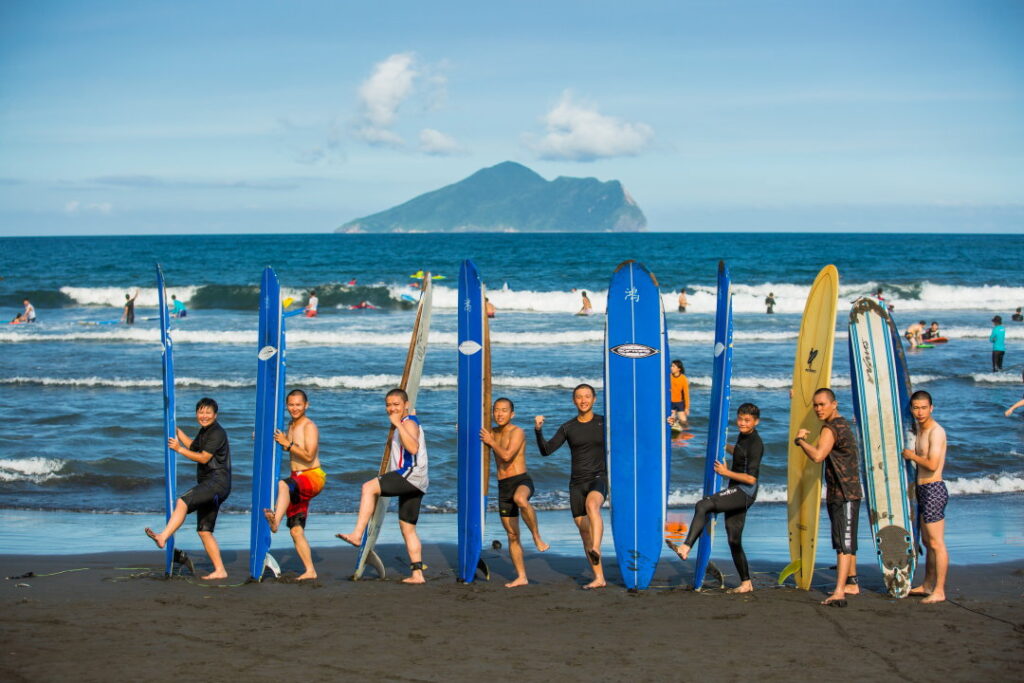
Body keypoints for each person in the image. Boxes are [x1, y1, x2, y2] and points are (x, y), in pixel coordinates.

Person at [667, 403, 764, 593]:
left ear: (756, 422)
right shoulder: (744, 437)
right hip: (737, 490)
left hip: (744, 491)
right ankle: (746, 583)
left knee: (703, 505)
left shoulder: (756, 444)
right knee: (734, 539)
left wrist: (725, 472)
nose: (742, 423)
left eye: (747, 420)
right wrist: (718, 446)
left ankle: (686, 547)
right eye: (740, 419)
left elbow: (751, 479)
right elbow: (739, 452)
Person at [336, 388, 428, 584]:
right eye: (388, 405)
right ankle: (417, 573)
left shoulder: (407, 423)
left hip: (410, 474)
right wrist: (404, 417)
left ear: (405, 405)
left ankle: (357, 534)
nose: (391, 408)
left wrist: (398, 423)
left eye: (396, 405)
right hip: (419, 482)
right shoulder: (410, 418)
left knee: (368, 487)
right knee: (408, 528)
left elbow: (413, 447)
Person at [145, 397, 232, 580]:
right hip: (213, 485)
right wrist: (177, 431)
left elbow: (203, 458)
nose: (204, 415)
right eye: (201, 412)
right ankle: (220, 570)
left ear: (215, 415)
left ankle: (163, 536)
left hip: (217, 482)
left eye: (208, 412)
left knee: (183, 501)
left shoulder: (217, 433)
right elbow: (194, 446)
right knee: (204, 530)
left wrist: (178, 449)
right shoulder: (205, 432)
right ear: (196, 414)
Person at [793, 388, 861, 607]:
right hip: (841, 492)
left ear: (834, 404)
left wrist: (800, 441)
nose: (818, 408)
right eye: (815, 405)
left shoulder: (831, 428)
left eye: (822, 404)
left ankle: (839, 592)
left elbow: (818, 456)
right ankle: (851, 582)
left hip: (845, 493)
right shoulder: (840, 424)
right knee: (845, 539)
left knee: (844, 544)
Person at [535, 384, 607, 589]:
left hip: (599, 477)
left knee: (592, 506)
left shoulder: (604, 422)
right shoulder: (568, 427)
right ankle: (599, 578)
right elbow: (546, 450)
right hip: (576, 483)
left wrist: (664, 423)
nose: (583, 400)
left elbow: (632, 433)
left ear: (594, 399)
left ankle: (597, 547)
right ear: (573, 400)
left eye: (587, 396)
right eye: (579, 397)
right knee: (585, 533)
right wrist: (538, 430)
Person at [480, 397, 549, 588]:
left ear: (512, 414)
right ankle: (521, 577)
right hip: (503, 487)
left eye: (504, 410)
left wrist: (491, 442)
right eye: (496, 410)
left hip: (521, 480)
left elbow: (507, 455)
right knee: (512, 535)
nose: (499, 414)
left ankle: (536, 536)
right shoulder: (491, 432)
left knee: (520, 498)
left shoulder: (517, 432)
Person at [263, 389, 325, 580]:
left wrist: (287, 444)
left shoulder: (309, 426)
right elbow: (284, 444)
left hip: (312, 477)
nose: (294, 408)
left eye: (299, 404)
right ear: (287, 405)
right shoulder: (290, 425)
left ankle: (275, 523)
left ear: (306, 405)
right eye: (291, 404)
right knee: (296, 530)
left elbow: (308, 455)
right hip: (297, 480)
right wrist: (264, 439)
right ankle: (310, 571)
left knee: (282, 485)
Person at [901, 390, 948, 604]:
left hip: (933, 489)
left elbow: (932, 464)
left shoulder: (935, 432)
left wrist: (911, 456)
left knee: (937, 543)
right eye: (915, 408)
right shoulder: (920, 430)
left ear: (932, 408)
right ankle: (928, 584)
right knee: (928, 542)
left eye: (923, 408)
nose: (919, 412)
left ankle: (939, 590)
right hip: (923, 490)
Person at [669, 360, 690, 429]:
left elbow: (686, 394)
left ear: (679, 369)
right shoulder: (669, 377)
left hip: (679, 403)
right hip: (670, 402)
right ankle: (674, 432)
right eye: (671, 366)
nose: (671, 368)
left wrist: (687, 408)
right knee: (671, 420)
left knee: (683, 421)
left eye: (673, 366)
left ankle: (686, 432)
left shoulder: (683, 378)